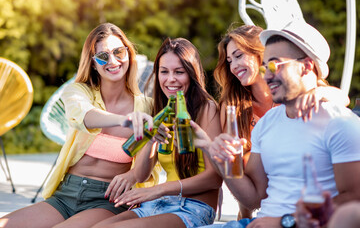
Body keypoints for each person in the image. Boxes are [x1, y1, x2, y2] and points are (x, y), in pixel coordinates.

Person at [192, 20, 360, 228]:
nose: (266, 75)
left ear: (306, 66)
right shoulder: (266, 123)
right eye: (264, 67)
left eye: (273, 65)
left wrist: (284, 222)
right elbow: (253, 198)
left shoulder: (340, 123)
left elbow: (354, 201)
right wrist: (222, 161)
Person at [0, 23, 160, 228]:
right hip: (65, 194)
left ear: (129, 54)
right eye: (103, 56)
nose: (113, 61)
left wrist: (132, 174)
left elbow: (145, 169)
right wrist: (125, 120)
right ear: (93, 63)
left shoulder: (147, 108)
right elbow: (86, 116)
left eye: (119, 52)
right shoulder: (77, 92)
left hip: (108, 200)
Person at [92, 37, 223, 228]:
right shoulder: (162, 110)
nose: (171, 79)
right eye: (164, 72)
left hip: (192, 208)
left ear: (192, 74)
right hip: (157, 204)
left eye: (179, 72)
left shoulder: (207, 109)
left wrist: (160, 189)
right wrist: (152, 140)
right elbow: (142, 175)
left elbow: (215, 178)